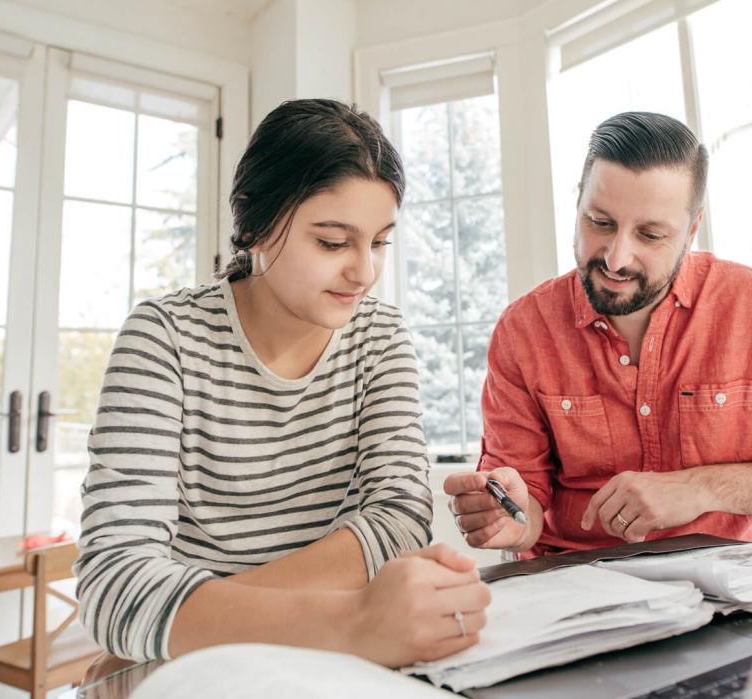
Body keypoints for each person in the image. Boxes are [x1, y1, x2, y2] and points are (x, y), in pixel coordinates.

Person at [75, 99, 489, 667]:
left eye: (380, 242)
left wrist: (192, 619)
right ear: (254, 224)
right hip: (204, 669)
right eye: (332, 241)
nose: (364, 271)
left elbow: (399, 518)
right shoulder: (163, 338)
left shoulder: (380, 335)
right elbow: (115, 581)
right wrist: (350, 620)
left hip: (237, 649)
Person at [445, 112, 752, 558]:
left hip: (727, 587)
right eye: (600, 222)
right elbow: (522, 504)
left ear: (692, 229)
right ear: (578, 203)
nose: (616, 258)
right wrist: (505, 516)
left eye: (650, 234)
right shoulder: (523, 330)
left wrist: (700, 489)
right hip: (574, 593)